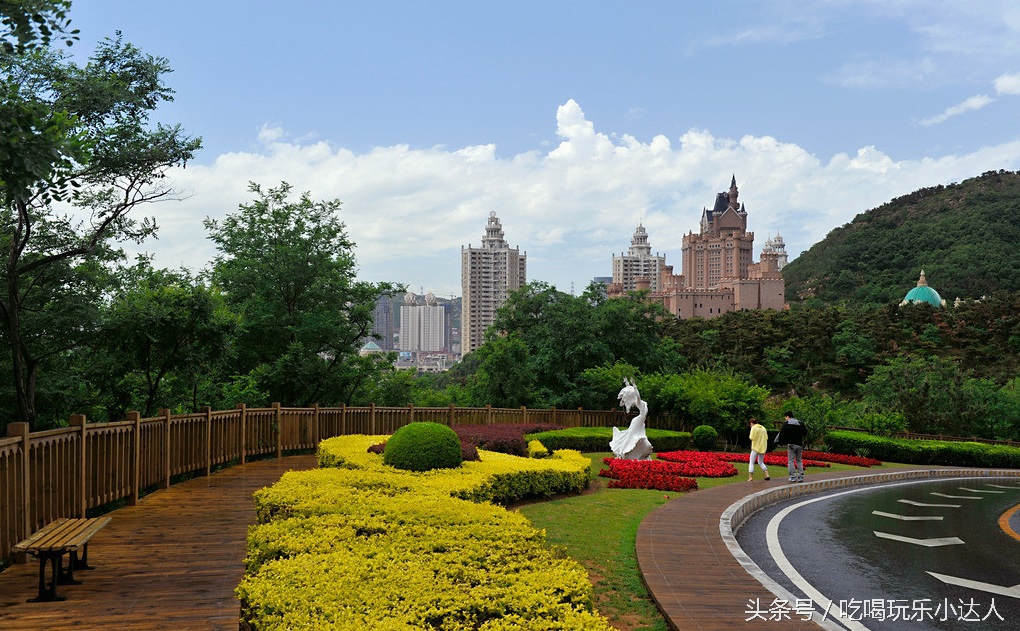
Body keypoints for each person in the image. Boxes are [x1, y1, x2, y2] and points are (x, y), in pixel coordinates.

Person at [776, 411, 807, 483]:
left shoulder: (786, 424)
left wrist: (780, 442)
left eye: (785, 417)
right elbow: (805, 432)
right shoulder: (800, 423)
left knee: (791, 461)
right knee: (799, 460)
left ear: (787, 416)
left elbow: (782, 434)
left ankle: (792, 477)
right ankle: (800, 476)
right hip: (799, 444)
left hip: (791, 444)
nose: (785, 419)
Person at [747, 417, 770, 482]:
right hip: (763, 448)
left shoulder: (753, 428)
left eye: (750, 424)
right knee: (760, 462)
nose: (750, 425)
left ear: (751, 423)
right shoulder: (763, 428)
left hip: (755, 448)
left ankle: (750, 477)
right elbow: (766, 438)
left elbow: (751, 437)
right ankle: (767, 474)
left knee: (751, 462)